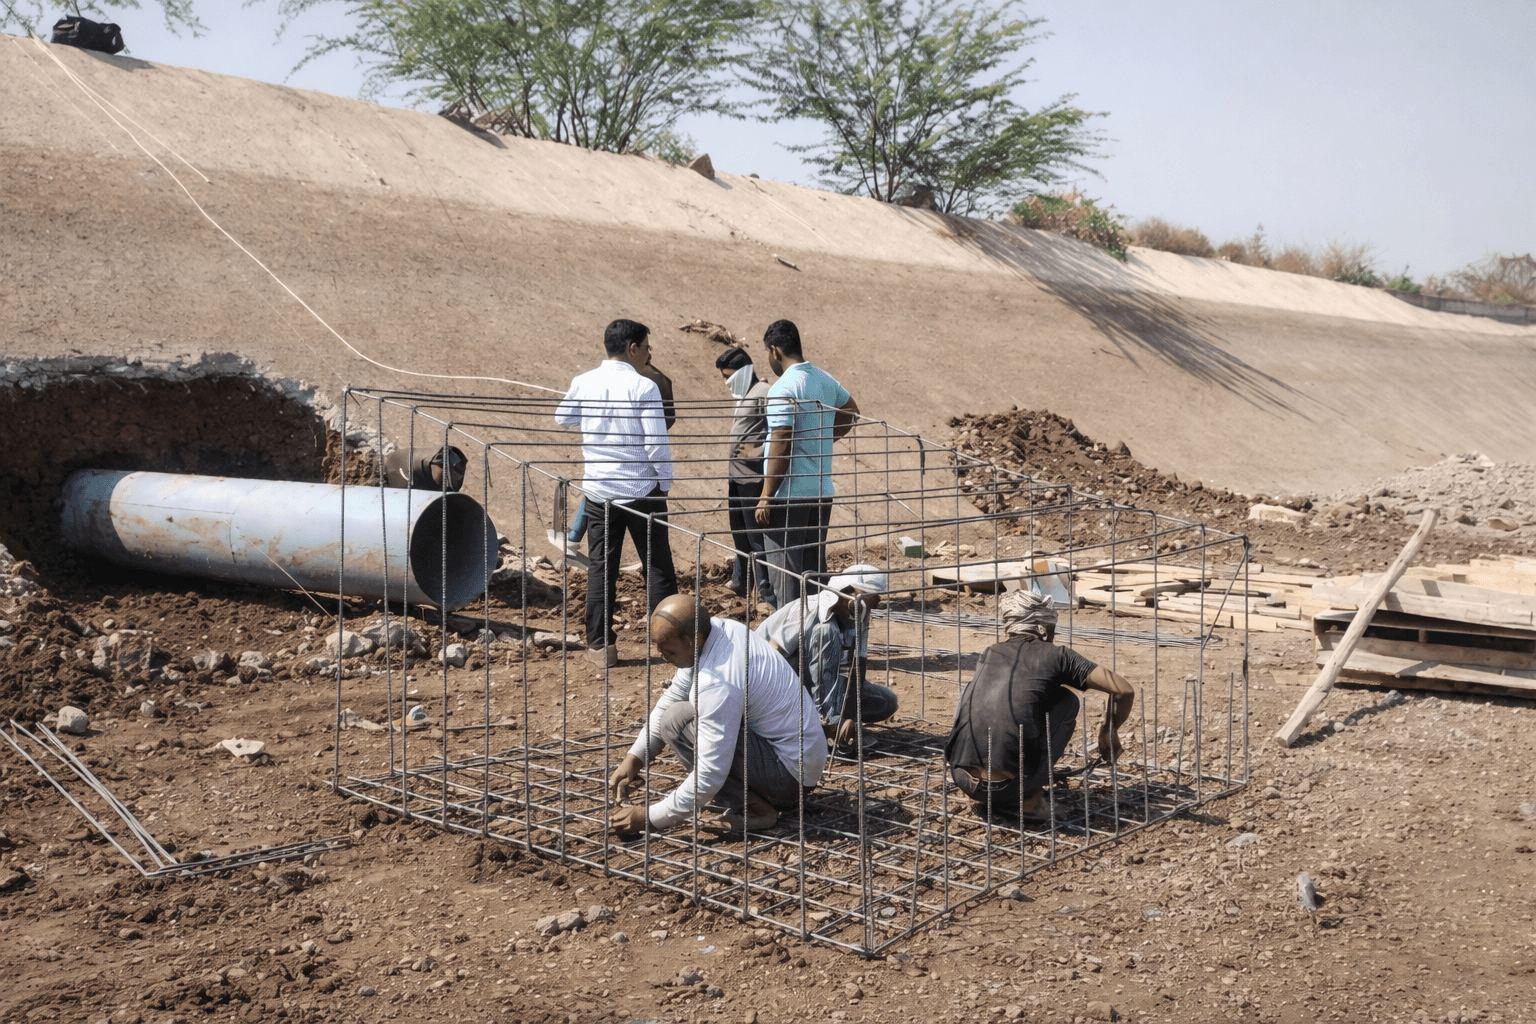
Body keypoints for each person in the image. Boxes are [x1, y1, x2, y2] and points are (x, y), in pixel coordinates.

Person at [607, 595, 828, 835]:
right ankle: (759, 798)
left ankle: (755, 809)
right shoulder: (720, 630)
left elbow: (710, 773)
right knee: (674, 713)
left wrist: (649, 817)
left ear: (692, 640)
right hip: (799, 759)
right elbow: (673, 696)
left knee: (677, 722)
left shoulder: (719, 681)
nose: (662, 656)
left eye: (669, 650)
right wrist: (636, 757)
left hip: (789, 776)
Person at [945, 591, 1136, 821]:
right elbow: (1124, 690)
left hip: (961, 778)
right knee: (1066, 700)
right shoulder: (1059, 656)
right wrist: (1108, 732)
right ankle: (1028, 802)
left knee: (973, 690)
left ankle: (991, 785)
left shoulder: (989, 653)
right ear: (1044, 629)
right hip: (1008, 787)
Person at [555, 318, 679, 669]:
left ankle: (600, 648)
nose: (649, 354)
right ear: (632, 348)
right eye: (647, 347)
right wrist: (664, 485)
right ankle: (672, 643)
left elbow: (562, 418)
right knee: (657, 567)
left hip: (599, 493)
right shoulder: (644, 387)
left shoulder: (583, 382)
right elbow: (657, 445)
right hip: (643, 491)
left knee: (601, 567)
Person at [752, 319, 859, 607]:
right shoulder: (823, 379)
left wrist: (766, 496)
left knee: (785, 574)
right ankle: (816, 637)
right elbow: (851, 411)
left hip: (789, 496)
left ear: (775, 350)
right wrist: (823, 438)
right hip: (821, 493)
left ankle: (789, 646)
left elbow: (782, 439)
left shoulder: (782, 388)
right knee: (813, 572)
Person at [755, 563, 898, 756]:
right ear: (852, 594)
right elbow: (768, 657)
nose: (879, 602)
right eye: (875, 596)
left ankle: (829, 721)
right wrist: (827, 720)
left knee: (885, 702)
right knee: (826, 632)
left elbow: (858, 663)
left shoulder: (858, 613)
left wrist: (851, 714)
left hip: (821, 688)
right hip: (779, 686)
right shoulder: (808, 610)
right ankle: (823, 728)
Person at [716, 345, 777, 607]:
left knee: (757, 538)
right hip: (737, 478)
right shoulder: (745, 394)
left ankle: (767, 594)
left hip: (754, 480)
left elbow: (782, 432)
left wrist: (759, 450)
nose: (726, 383)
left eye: (729, 377)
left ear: (744, 372)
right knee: (740, 534)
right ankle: (742, 581)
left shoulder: (764, 393)